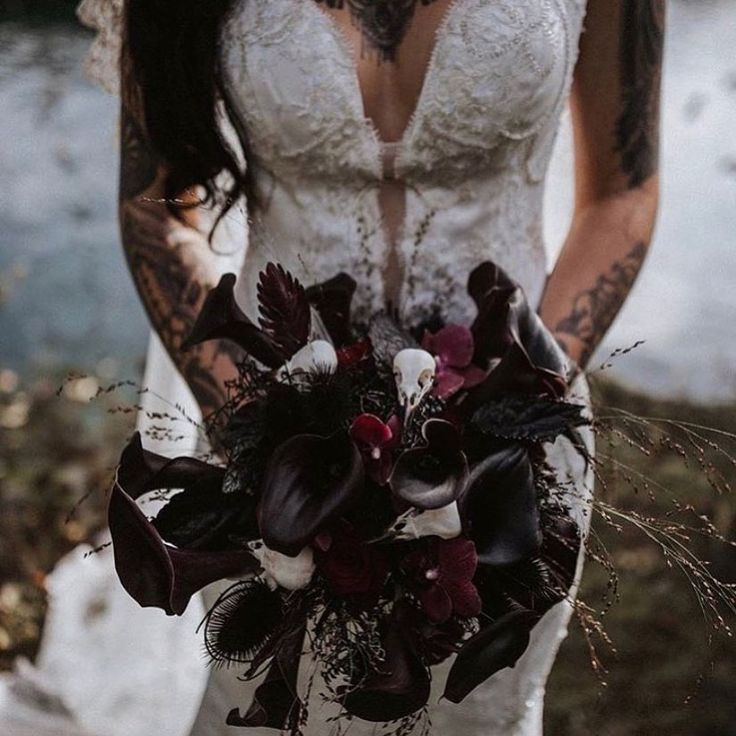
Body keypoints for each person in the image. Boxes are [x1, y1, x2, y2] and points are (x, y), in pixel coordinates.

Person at [75, 1, 664, 734]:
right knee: (275, 708)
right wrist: (254, 428)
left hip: (518, 467)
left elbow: (621, 191)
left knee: (476, 714)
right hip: (270, 459)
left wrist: (524, 397)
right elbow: (155, 206)